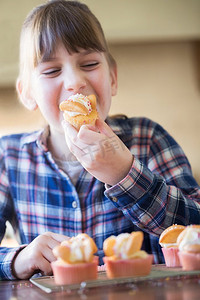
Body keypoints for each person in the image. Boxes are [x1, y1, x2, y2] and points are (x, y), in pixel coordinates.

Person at [0, 0, 199, 281]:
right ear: (27, 93)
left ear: (113, 78)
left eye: (90, 64)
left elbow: (195, 228)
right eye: (52, 71)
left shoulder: (149, 139)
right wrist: (17, 258)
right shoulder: (9, 157)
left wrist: (124, 173)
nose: (75, 82)